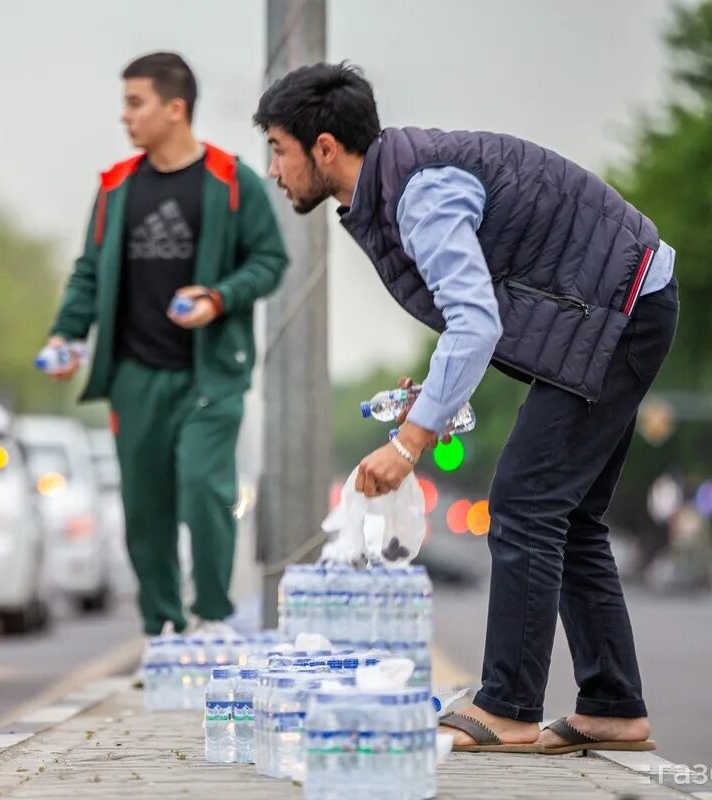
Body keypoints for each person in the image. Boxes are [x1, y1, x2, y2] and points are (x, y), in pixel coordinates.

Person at [255, 64, 676, 754]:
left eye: (278, 148)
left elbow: (474, 322)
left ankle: (509, 706)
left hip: (619, 312)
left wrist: (409, 444)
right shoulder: (399, 184)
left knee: (525, 499)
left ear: (324, 147)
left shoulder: (420, 194)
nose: (274, 169)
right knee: (566, 514)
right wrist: (435, 397)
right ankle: (612, 706)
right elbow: (486, 308)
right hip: (619, 308)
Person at [44, 53, 288, 637]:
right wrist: (67, 334)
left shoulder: (232, 182)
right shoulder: (116, 188)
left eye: (136, 102)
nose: (125, 116)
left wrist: (219, 297)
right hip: (134, 375)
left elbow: (270, 260)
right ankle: (163, 630)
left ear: (175, 109)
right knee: (145, 510)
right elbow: (87, 273)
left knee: (206, 489)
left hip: (211, 376)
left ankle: (213, 619)